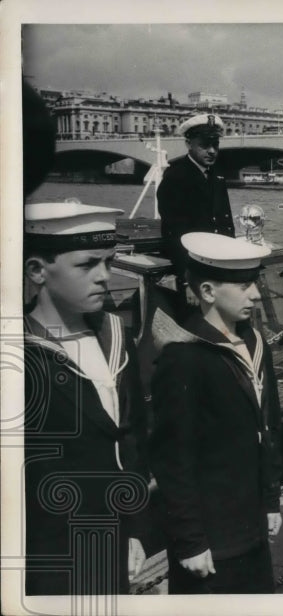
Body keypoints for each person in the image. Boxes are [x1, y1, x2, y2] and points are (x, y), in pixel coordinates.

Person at [22, 202, 150, 595]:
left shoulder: (116, 335)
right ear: (38, 270)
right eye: (87, 264)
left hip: (115, 540)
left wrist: (134, 527)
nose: (104, 277)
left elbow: (131, 437)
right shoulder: (20, 354)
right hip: (47, 553)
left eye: (109, 262)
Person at [148, 232, 283, 594]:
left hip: (251, 522)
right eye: (243, 286)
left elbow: (267, 426)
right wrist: (190, 540)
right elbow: (173, 457)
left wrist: (271, 499)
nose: (255, 294)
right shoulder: (184, 356)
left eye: (254, 282)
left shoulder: (253, 342)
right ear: (207, 292)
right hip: (211, 536)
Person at [157, 114, 236, 302]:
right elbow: (175, 233)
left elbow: (225, 223)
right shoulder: (176, 177)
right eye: (204, 145)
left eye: (215, 145)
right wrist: (189, 280)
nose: (211, 151)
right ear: (189, 144)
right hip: (194, 268)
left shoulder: (216, 175)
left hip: (218, 263)